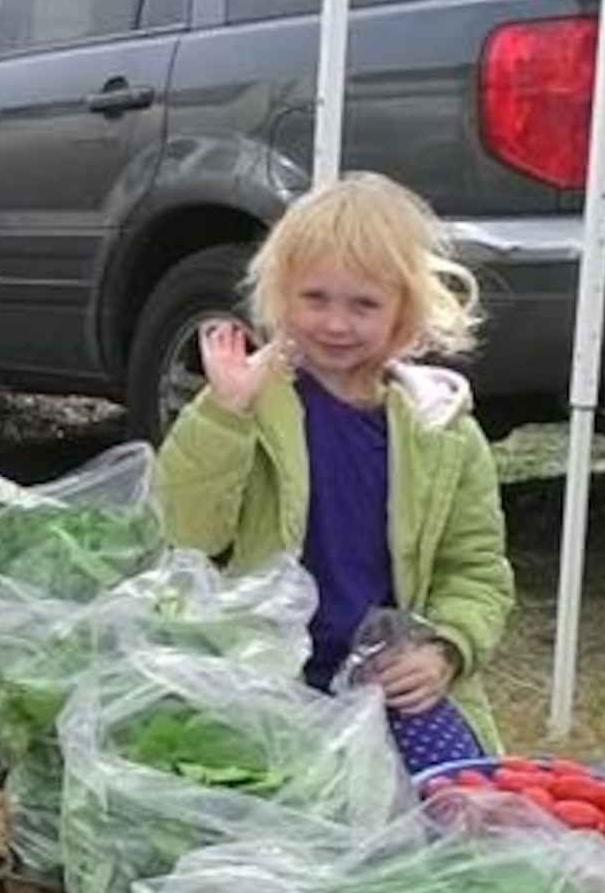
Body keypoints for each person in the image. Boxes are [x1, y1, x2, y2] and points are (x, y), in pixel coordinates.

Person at [153, 172, 514, 771]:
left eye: (364, 304)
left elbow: (476, 570)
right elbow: (186, 532)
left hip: (387, 682)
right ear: (280, 296)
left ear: (406, 312)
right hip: (259, 680)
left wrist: (445, 650)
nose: (336, 324)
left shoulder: (445, 431)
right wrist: (224, 415)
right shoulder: (246, 402)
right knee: (276, 823)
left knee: (458, 803)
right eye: (314, 298)